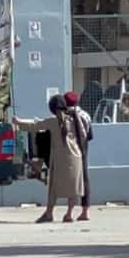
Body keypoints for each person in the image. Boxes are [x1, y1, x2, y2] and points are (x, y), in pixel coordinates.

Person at [14, 95, 85, 223]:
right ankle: (69, 214)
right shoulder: (74, 119)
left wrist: (18, 122)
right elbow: (84, 135)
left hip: (59, 160)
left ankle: (49, 213)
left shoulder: (53, 121)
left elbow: (35, 125)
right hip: (76, 158)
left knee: (54, 188)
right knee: (74, 189)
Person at [65, 90, 93, 222]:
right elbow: (90, 136)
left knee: (72, 180)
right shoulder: (85, 115)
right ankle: (85, 212)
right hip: (84, 149)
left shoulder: (64, 116)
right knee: (84, 179)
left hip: (70, 150)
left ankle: (69, 212)